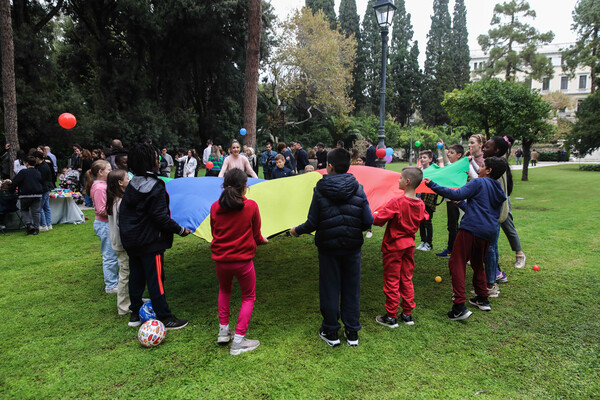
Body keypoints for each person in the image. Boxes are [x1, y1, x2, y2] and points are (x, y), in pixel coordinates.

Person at [291, 148, 373, 347]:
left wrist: (296, 231)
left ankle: (331, 331)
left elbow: (313, 222)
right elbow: (367, 220)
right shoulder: (359, 188)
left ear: (329, 166)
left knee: (330, 288)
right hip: (352, 247)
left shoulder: (320, 189)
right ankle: (352, 332)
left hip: (329, 249)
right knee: (351, 288)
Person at [424, 156, 508, 321]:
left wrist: (432, 184)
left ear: (488, 171)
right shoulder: (498, 188)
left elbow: (456, 192)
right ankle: (482, 298)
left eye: (482, 166)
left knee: (457, 262)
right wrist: (461, 204)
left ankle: (459, 306)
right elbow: (483, 209)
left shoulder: (479, 182)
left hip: (472, 228)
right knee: (477, 263)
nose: (480, 169)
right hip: (488, 231)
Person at [119, 143, 192, 329]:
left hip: (131, 240)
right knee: (156, 279)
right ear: (151, 162)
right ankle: (165, 317)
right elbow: (161, 217)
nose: (158, 161)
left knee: (136, 276)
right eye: (156, 158)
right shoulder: (155, 186)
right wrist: (181, 230)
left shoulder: (132, 184)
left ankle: (135, 313)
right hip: (150, 241)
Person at [210, 168, 268, 355]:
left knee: (224, 290)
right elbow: (257, 235)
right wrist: (262, 241)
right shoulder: (251, 206)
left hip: (221, 261)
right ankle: (239, 341)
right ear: (245, 187)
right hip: (243, 262)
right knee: (248, 296)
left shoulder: (214, 207)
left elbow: (215, 233)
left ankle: (223, 331)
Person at [373, 167, 428, 327]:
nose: (398, 180)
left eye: (400, 178)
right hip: (409, 245)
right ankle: (407, 314)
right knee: (406, 278)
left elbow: (378, 220)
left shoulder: (397, 202)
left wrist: (373, 214)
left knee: (392, 279)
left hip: (394, 246)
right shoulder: (420, 203)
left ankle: (391, 316)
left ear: (407, 182)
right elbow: (424, 216)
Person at [88, 160, 120, 293]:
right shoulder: (100, 188)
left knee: (113, 253)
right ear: (100, 172)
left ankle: (114, 281)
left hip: (107, 223)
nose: (111, 171)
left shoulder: (102, 185)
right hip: (104, 224)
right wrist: (118, 209)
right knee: (109, 254)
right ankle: (111, 285)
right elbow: (101, 210)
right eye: (108, 169)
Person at [106, 169, 131, 316]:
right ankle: (123, 306)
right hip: (122, 243)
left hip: (119, 242)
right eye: (127, 178)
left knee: (128, 272)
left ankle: (131, 300)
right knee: (125, 274)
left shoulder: (114, 199)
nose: (130, 180)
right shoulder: (120, 202)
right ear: (120, 183)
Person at [436, 143, 465, 258]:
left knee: (456, 226)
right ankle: (451, 249)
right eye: (449, 152)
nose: (449, 155)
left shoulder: (459, 167)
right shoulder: (451, 166)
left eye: (452, 153)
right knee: (451, 225)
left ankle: (454, 250)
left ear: (459, 155)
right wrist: (441, 149)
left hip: (457, 200)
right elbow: (444, 161)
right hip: (450, 200)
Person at [6, 155, 43, 235]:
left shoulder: (23, 172)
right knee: (36, 212)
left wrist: (11, 190)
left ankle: (29, 224)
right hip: (37, 194)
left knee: (24, 209)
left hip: (26, 194)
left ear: (26, 163)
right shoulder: (38, 172)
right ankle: (36, 228)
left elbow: (15, 182)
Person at [416, 150, 437, 252]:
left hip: (428, 200)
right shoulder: (419, 171)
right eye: (421, 157)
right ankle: (423, 241)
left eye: (424, 157)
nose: (422, 159)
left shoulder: (433, 171)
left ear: (430, 159)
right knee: (420, 221)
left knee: (428, 221)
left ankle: (429, 243)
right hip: (419, 199)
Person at [34, 151, 54, 231]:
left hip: (44, 188)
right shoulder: (43, 165)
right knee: (46, 207)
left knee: (40, 207)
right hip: (47, 187)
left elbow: (41, 179)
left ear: (37, 158)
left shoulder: (42, 167)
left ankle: (44, 224)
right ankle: (48, 224)